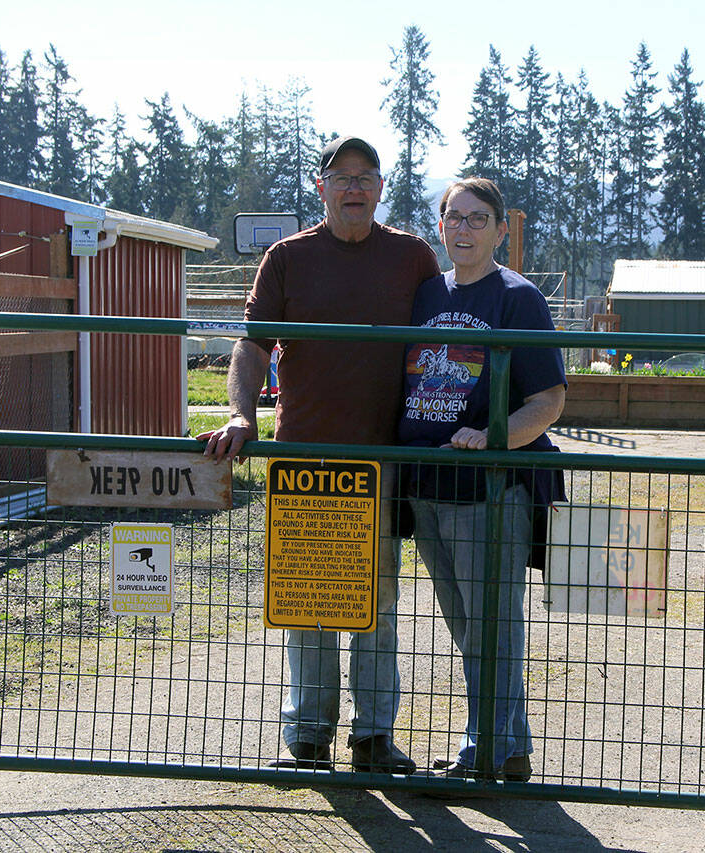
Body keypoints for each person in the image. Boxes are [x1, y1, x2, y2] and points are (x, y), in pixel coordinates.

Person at [199, 136, 440, 774]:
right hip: (304, 455)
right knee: (307, 596)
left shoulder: (412, 257)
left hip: (382, 459)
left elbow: (446, 342)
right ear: (322, 187)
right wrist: (240, 413)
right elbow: (252, 346)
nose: (355, 186)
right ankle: (307, 736)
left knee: (377, 594)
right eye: (342, 176)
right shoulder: (287, 258)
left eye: (367, 176)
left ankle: (373, 736)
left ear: (382, 188)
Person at [398, 178, 566, 782]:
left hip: (490, 492)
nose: (463, 229)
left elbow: (546, 401)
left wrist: (494, 436)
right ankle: (506, 749)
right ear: (439, 226)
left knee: (491, 624)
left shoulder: (517, 299)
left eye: (477, 218)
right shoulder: (422, 296)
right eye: (453, 218)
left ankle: (485, 750)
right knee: (469, 625)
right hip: (428, 485)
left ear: (500, 229)